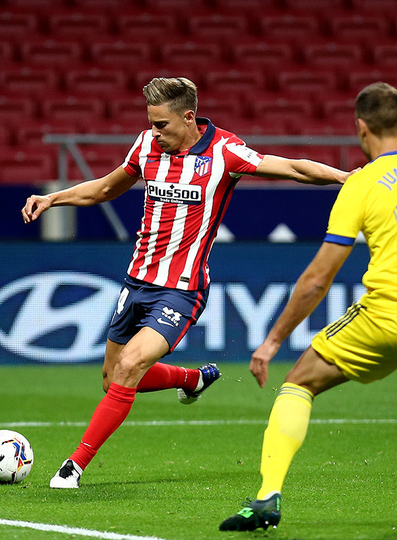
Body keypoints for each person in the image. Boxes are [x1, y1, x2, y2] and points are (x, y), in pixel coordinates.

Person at [21, 77, 350, 489]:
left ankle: (74, 466)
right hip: (135, 281)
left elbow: (293, 167)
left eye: (161, 124)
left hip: (181, 289)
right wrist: (54, 198)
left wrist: (345, 177)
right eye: (152, 124)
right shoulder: (145, 146)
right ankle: (191, 379)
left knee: (130, 366)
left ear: (188, 117)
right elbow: (104, 188)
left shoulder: (225, 151)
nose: (154, 132)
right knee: (112, 378)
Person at [219, 82, 397, 531]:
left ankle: (268, 495)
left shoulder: (362, 181)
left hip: (388, 316)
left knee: (299, 382)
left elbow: (318, 277)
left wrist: (271, 341)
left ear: (361, 129)